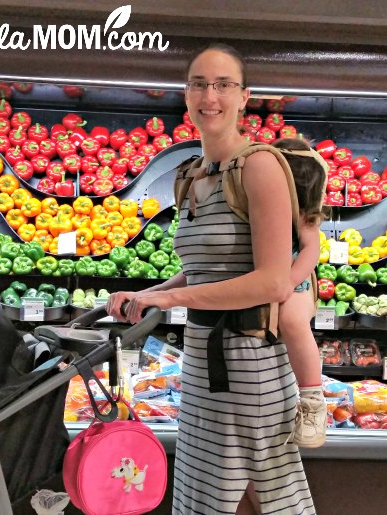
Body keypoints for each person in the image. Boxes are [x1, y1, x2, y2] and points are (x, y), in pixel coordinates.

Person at [106, 43, 316, 514]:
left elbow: (273, 283)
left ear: (245, 97)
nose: (210, 95)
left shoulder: (260, 166)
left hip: (251, 361)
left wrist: (172, 298)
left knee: (273, 498)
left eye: (224, 84)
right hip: (203, 359)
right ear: (186, 95)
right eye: (199, 84)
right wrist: (148, 294)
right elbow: (202, 269)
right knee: (205, 495)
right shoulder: (190, 175)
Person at [272, 137, 330, 448]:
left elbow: (310, 251)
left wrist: (289, 282)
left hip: (292, 279)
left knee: (292, 321)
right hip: (264, 278)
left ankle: (312, 400)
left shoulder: (303, 215)